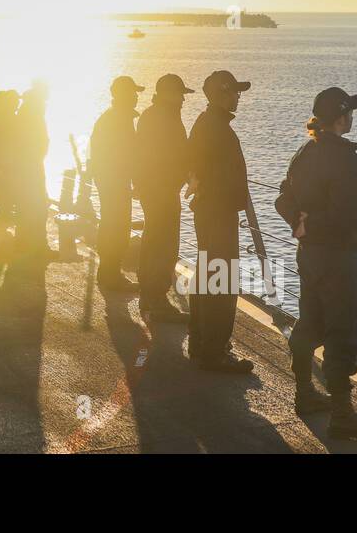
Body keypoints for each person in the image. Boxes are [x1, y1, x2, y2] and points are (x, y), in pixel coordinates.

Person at [275, 88, 357, 439]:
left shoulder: (305, 151)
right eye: (350, 112)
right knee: (341, 330)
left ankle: (305, 391)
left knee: (311, 320)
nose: (353, 117)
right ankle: (342, 414)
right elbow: (345, 213)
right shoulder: (343, 158)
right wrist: (314, 226)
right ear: (340, 117)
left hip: (308, 254)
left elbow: (281, 198)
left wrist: (299, 224)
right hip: (336, 255)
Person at [186, 70, 253, 373]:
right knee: (222, 280)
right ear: (222, 93)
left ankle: (201, 345)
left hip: (208, 211)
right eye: (235, 91)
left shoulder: (205, 123)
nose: (238, 96)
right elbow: (221, 174)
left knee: (206, 276)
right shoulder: (217, 129)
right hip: (219, 213)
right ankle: (214, 351)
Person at [135, 74, 194, 323]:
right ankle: (155, 299)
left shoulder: (155, 114)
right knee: (163, 243)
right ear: (168, 94)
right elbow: (167, 154)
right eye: (179, 94)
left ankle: (150, 296)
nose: (182, 99)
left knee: (154, 240)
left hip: (156, 188)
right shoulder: (163, 117)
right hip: (161, 189)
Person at [90, 76, 143, 292]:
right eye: (133, 93)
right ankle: (110, 275)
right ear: (122, 94)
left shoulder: (115, 118)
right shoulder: (116, 119)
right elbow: (125, 153)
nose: (136, 97)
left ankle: (109, 272)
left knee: (113, 225)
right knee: (117, 226)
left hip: (111, 179)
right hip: (114, 180)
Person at [13, 84, 52, 258]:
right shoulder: (32, 112)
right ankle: (35, 246)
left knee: (29, 205)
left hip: (29, 164)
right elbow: (31, 140)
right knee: (36, 206)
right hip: (30, 165)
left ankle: (26, 243)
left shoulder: (28, 110)